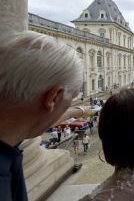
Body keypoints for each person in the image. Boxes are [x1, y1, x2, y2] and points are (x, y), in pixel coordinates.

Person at [0, 31, 88, 201]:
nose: (65, 109)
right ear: (54, 97)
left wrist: (78, 111)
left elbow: (41, 118)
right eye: (68, 103)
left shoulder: (10, 137)